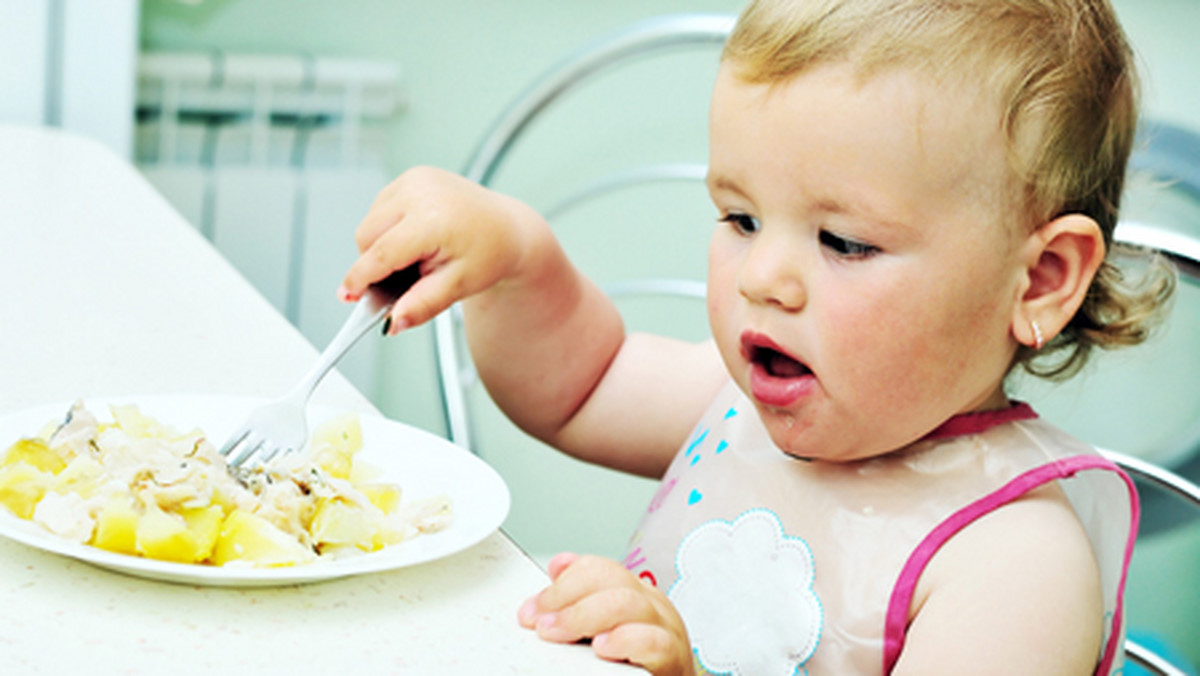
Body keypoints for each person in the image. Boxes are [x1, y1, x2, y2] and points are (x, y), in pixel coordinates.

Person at [338, 0, 1176, 673]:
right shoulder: (734, 405)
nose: (760, 277)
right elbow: (581, 385)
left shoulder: (1015, 567)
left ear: (1039, 281)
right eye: (740, 217)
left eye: (844, 241)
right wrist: (517, 257)